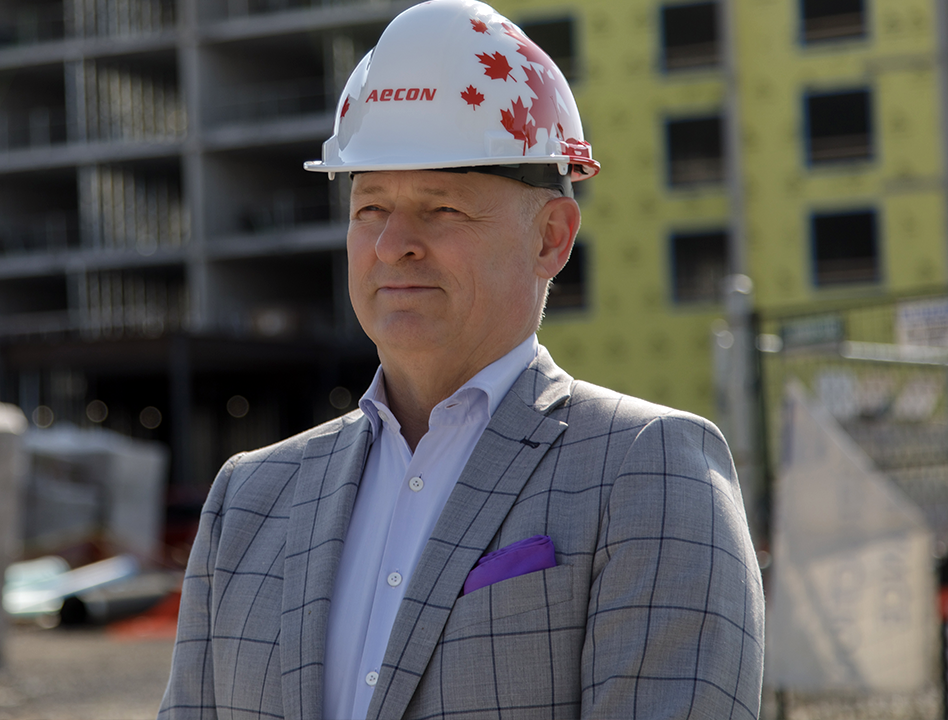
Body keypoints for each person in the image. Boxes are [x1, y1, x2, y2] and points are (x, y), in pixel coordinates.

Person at [159, 0, 765, 717]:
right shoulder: (249, 501)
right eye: (370, 208)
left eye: (441, 208)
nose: (393, 246)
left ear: (551, 238)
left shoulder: (653, 473)